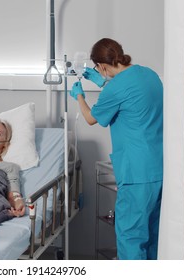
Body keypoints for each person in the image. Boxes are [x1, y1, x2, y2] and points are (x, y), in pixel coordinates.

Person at [70, 38, 163, 260]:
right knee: (152, 237)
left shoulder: (115, 89)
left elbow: (92, 118)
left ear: (101, 66)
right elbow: (132, 98)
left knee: (130, 236)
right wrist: (105, 84)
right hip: (159, 169)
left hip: (135, 172)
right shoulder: (149, 75)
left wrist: (79, 96)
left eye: (99, 69)